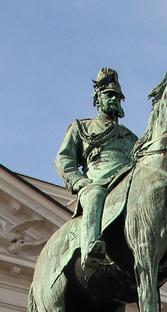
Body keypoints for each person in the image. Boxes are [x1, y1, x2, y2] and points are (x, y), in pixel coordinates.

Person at [55, 68, 137, 272]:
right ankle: (91, 247)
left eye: (117, 96)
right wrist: (77, 181)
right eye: (109, 95)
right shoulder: (81, 127)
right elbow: (63, 157)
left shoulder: (131, 137)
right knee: (95, 195)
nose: (114, 99)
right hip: (97, 181)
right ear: (97, 99)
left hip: (127, 181)